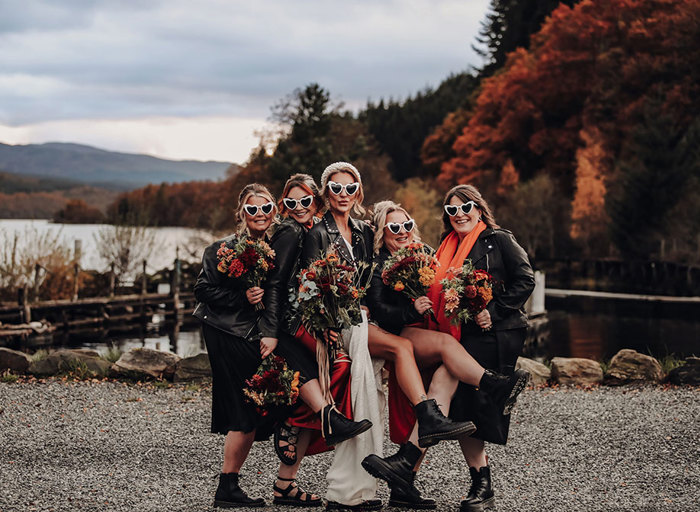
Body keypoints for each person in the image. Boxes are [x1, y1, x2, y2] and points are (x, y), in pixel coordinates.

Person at [303, 162, 474, 510]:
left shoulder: (362, 231)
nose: (343, 195)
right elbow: (308, 286)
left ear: (358, 192)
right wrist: (332, 325)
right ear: (325, 192)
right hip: (339, 324)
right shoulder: (317, 234)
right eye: (335, 188)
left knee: (369, 402)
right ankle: (427, 414)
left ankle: (355, 492)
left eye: (350, 188)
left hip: (362, 321)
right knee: (398, 347)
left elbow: (374, 275)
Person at [193, 183, 364, 509]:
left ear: (274, 209)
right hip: (227, 333)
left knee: (269, 393)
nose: (260, 214)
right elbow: (203, 291)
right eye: (252, 209)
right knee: (251, 403)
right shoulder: (223, 249)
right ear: (242, 213)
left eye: (265, 207)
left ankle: (235, 485)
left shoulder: (276, 242)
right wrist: (241, 296)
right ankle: (233, 484)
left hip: (252, 331)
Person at [361, 201, 530, 509]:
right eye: (393, 228)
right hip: (413, 337)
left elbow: (522, 279)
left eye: (406, 225)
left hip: (465, 334)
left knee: (441, 399)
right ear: (381, 234)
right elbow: (381, 308)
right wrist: (412, 308)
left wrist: (489, 308)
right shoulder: (386, 261)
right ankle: (495, 387)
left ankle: (405, 473)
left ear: (480, 208)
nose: (402, 232)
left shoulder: (437, 251)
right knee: (444, 388)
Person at [260, 174, 371, 506]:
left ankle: (285, 483)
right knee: (337, 368)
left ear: (316, 202)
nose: (298, 208)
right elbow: (278, 285)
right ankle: (301, 422)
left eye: (304, 201)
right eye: (290, 203)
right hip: (289, 324)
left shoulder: (316, 232)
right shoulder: (291, 233)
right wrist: (271, 330)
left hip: (307, 320)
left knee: (322, 387)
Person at [430, 184, 535, 512]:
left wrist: (496, 310)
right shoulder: (446, 246)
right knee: (464, 405)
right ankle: (481, 483)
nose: (459, 214)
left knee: (470, 399)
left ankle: (478, 482)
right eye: (452, 210)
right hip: (463, 333)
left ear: (479, 208)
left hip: (499, 331)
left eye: (466, 207)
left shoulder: (499, 238)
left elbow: (525, 279)